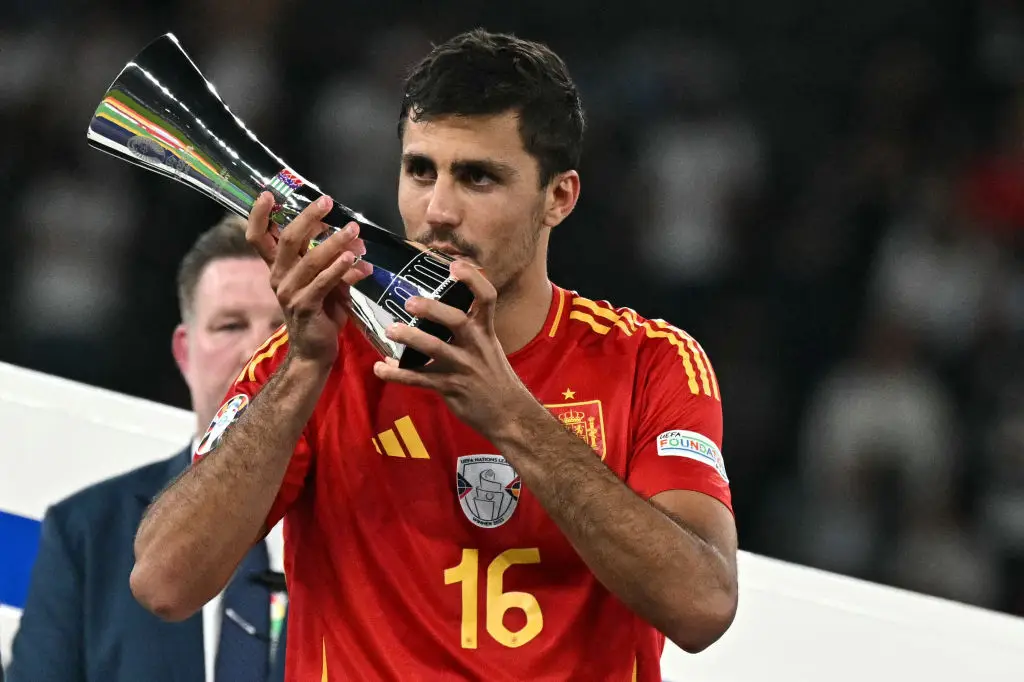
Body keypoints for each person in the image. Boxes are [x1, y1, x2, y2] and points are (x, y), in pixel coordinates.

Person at [130, 29, 739, 681]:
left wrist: (508, 414)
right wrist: (302, 371)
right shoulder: (317, 352)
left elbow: (702, 606)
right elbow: (164, 584)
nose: (438, 211)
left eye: (478, 177)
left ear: (558, 197)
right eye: (421, 171)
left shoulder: (649, 362)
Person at [6, 216, 290, 682]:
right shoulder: (87, 533)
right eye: (230, 325)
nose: (257, 351)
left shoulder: (376, 523)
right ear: (184, 352)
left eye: (284, 327)